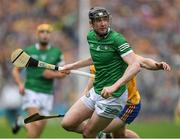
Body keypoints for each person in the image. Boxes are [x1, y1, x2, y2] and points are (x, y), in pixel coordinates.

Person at [61, 7, 171, 138]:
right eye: (98, 20)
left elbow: (139, 63)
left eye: (105, 20)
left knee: (90, 132)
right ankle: (101, 134)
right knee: (68, 124)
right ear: (91, 23)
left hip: (120, 99)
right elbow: (94, 59)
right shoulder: (91, 37)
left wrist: (156, 65)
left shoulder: (118, 42)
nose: (102, 23)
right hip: (98, 92)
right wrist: (72, 66)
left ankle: (100, 134)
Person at [12, 23, 69, 138]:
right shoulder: (29, 51)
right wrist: (20, 84)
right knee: (36, 122)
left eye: (47, 32)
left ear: (50, 35)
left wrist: (53, 75)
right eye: (42, 32)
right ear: (37, 34)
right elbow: (15, 70)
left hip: (47, 93)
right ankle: (23, 122)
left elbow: (63, 73)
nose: (45, 35)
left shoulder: (57, 53)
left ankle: (21, 122)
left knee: (36, 132)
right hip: (31, 90)